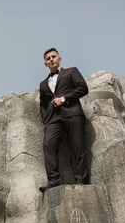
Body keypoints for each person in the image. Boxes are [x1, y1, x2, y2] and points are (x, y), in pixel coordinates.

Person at [38, 47, 89, 192]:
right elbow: (42, 104)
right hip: (53, 119)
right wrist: (46, 118)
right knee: (48, 144)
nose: (51, 59)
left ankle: (81, 179)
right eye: (48, 59)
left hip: (72, 113)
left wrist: (64, 98)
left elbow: (83, 88)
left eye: (54, 57)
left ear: (59, 58)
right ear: (45, 64)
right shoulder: (43, 84)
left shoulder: (71, 71)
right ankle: (53, 181)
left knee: (77, 146)